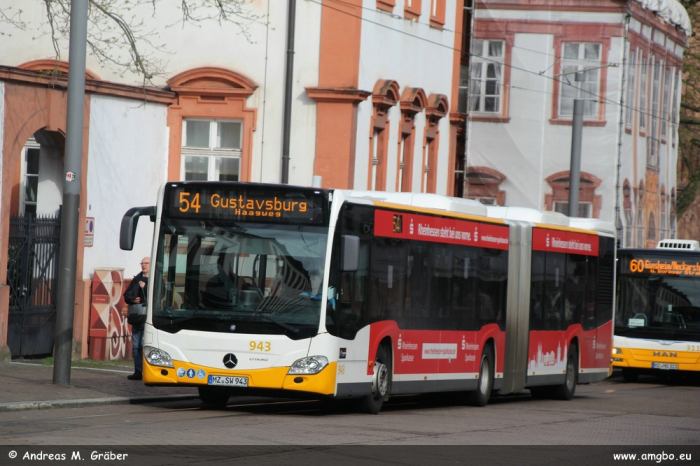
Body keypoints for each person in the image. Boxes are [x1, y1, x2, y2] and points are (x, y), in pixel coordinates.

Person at [123, 257, 149, 381]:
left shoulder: (155, 278)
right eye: (142, 263)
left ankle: (147, 370)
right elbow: (126, 295)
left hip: (147, 316)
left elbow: (160, 295)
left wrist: (144, 288)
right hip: (136, 316)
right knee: (136, 345)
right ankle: (138, 371)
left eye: (146, 263)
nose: (143, 265)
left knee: (144, 344)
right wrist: (132, 299)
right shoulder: (137, 278)